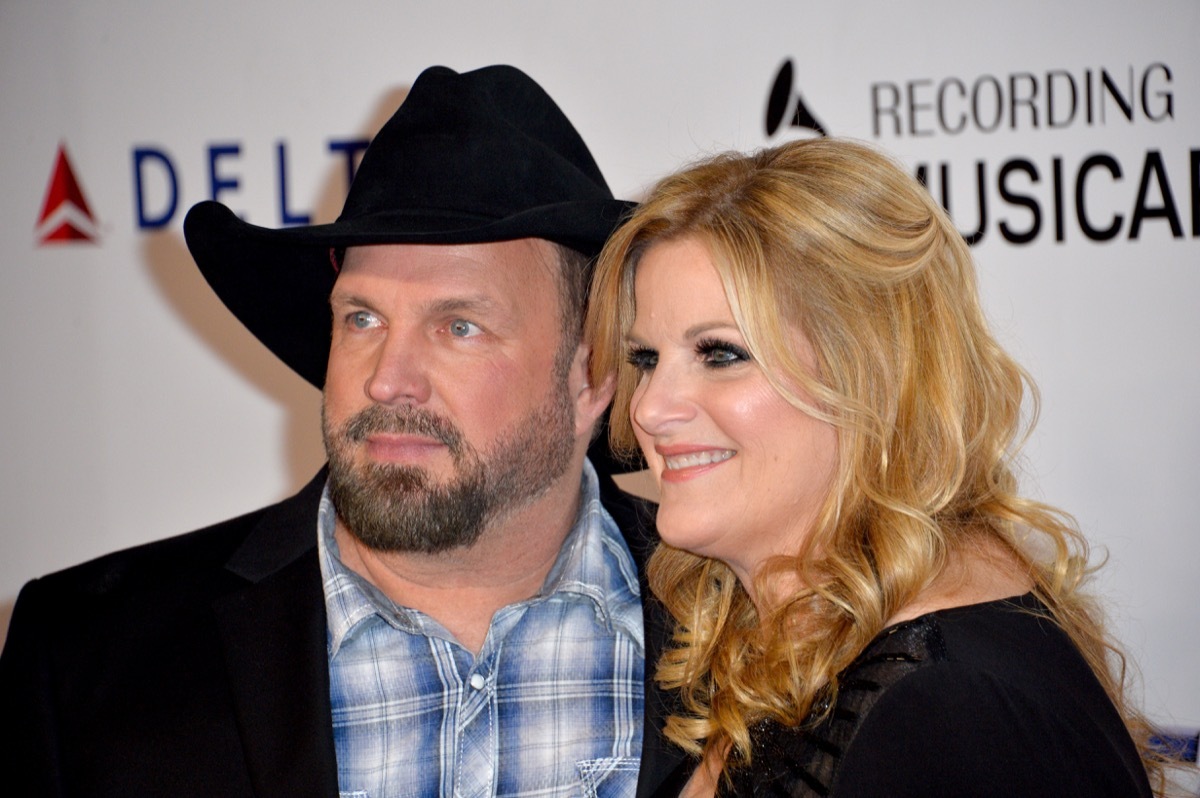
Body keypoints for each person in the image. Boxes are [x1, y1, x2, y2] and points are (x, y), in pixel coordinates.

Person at [0, 64, 685, 797]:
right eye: (362, 318)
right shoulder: (88, 660)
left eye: (459, 326)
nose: (388, 379)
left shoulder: (767, 626)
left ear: (592, 375)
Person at [585, 137, 1164, 796]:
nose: (651, 409)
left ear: (871, 379)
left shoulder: (943, 708)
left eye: (720, 354)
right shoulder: (799, 646)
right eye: (646, 359)